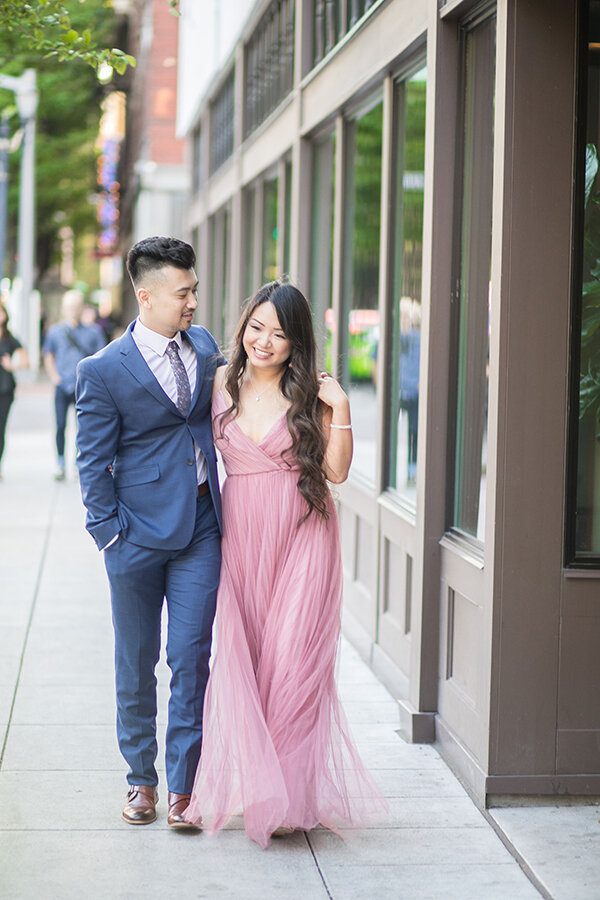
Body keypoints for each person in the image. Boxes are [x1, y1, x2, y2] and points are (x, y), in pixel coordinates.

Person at [185, 279, 387, 847]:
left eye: (278, 333)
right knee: (246, 665)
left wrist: (341, 406)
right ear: (243, 325)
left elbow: (339, 472)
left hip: (304, 536)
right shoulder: (219, 384)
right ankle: (261, 787)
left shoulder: (309, 395)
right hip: (242, 541)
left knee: (292, 667)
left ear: (297, 342)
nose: (264, 341)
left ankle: (287, 799)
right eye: (256, 327)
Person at [75, 236, 224, 829]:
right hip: (133, 537)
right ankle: (141, 778)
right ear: (147, 296)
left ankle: (185, 787)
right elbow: (91, 462)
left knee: (190, 657)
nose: (193, 302)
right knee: (135, 662)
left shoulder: (206, 345)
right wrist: (109, 533)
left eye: (194, 290)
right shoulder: (103, 370)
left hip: (201, 529)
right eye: (183, 292)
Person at [43, 289, 106, 480]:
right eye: (69, 307)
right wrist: (55, 377)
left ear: (81, 308)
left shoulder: (93, 332)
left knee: (83, 427)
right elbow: (48, 356)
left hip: (84, 388)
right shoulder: (55, 331)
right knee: (60, 425)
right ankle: (60, 462)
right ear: (64, 308)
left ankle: (79, 463)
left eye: (76, 306)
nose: (72, 310)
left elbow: (101, 357)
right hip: (62, 386)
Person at [0, 300, 29, 479]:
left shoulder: (10, 339)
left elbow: (26, 361)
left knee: (0, 429)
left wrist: (11, 366)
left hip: (4, 389)